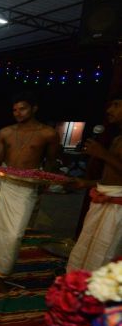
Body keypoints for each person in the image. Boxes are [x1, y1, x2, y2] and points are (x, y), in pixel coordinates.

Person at [0, 92, 60, 281]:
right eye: (15, 110)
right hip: (3, 184)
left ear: (34, 108)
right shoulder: (6, 132)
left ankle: (2, 272)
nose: (18, 113)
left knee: (14, 234)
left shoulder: (48, 133)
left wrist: (44, 184)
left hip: (26, 189)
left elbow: (51, 163)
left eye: (22, 109)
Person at [67, 97, 122, 271]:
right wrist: (86, 183)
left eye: (116, 105)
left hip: (117, 207)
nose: (109, 110)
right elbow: (112, 178)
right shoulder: (117, 139)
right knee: (85, 248)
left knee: (106, 252)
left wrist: (103, 154)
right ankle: (77, 284)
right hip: (101, 199)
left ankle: (96, 287)